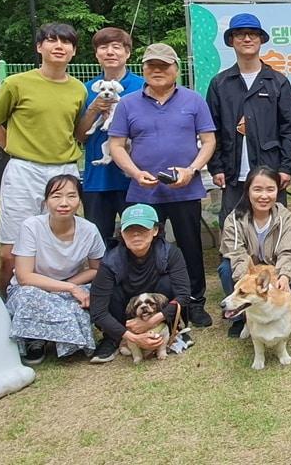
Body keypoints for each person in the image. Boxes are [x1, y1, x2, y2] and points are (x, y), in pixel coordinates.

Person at [107, 43, 217, 327]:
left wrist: (192, 170)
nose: (157, 71)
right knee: (143, 249)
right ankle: (149, 304)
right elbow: (116, 145)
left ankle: (195, 303)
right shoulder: (128, 103)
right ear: (142, 69)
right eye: (151, 65)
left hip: (186, 189)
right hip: (144, 190)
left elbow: (209, 141)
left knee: (190, 246)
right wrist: (134, 172)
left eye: (164, 65)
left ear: (176, 70)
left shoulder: (193, 100)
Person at [0, 22, 87, 294]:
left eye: (66, 42)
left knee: (56, 249)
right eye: (52, 41)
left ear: (73, 51)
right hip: (24, 172)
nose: (59, 46)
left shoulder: (79, 89)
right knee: (10, 252)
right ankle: (4, 305)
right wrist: (15, 149)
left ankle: (51, 306)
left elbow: (76, 131)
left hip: (64, 172)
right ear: (39, 47)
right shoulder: (16, 83)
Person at [5, 174, 105, 364]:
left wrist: (69, 285)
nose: (64, 203)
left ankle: (65, 340)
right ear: (46, 201)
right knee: (30, 297)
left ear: (80, 201)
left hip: (69, 284)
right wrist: (69, 288)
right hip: (33, 288)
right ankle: (34, 339)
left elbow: (96, 269)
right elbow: (24, 276)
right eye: (56, 196)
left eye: (71, 196)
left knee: (95, 295)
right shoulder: (31, 226)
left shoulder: (89, 229)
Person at [208, 13, 291, 219]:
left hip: (270, 171)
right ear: (231, 40)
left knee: (275, 230)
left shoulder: (277, 82)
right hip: (232, 174)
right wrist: (216, 168)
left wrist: (285, 168)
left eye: (253, 34)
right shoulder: (220, 83)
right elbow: (212, 130)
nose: (247, 39)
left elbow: (289, 128)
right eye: (240, 34)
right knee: (233, 232)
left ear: (261, 40)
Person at [87, 204, 193, 364]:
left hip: (159, 312)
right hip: (125, 317)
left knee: (167, 282)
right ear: (122, 233)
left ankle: (173, 329)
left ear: (155, 230)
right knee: (112, 291)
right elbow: (98, 311)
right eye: (130, 230)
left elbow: (184, 295)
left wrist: (151, 321)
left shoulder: (170, 253)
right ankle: (113, 338)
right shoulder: (110, 262)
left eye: (142, 229)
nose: (136, 235)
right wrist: (133, 336)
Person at [218, 166, 291, 338]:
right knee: (225, 269)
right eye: (257, 189)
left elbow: (289, 252)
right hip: (248, 274)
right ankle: (240, 315)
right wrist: (247, 283)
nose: (264, 196)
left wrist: (284, 277)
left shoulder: (285, 217)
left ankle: (273, 311)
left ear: (278, 191)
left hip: (274, 272)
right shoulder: (234, 219)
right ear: (247, 191)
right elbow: (236, 255)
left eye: (270, 189)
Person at [76, 27, 145, 248]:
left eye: (117, 47)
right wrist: (94, 109)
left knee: (137, 238)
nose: (110, 52)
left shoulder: (143, 86)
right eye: (103, 47)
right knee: (97, 241)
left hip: (134, 176)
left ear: (128, 53)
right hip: (98, 178)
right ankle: (102, 282)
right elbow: (80, 135)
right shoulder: (87, 89)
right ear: (96, 54)